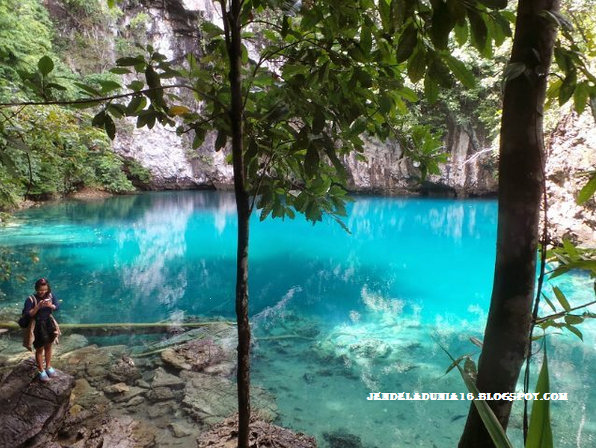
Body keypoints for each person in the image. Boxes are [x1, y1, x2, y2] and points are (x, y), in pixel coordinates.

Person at [22, 278, 61, 382]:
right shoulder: (30, 299)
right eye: (40, 290)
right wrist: (38, 306)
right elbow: (28, 314)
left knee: (49, 345)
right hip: (37, 325)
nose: (43, 292)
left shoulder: (51, 296)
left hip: (49, 323)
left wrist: (50, 305)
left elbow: (57, 306)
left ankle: (48, 366)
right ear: (36, 289)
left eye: (45, 290)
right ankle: (41, 370)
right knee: (39, 348)